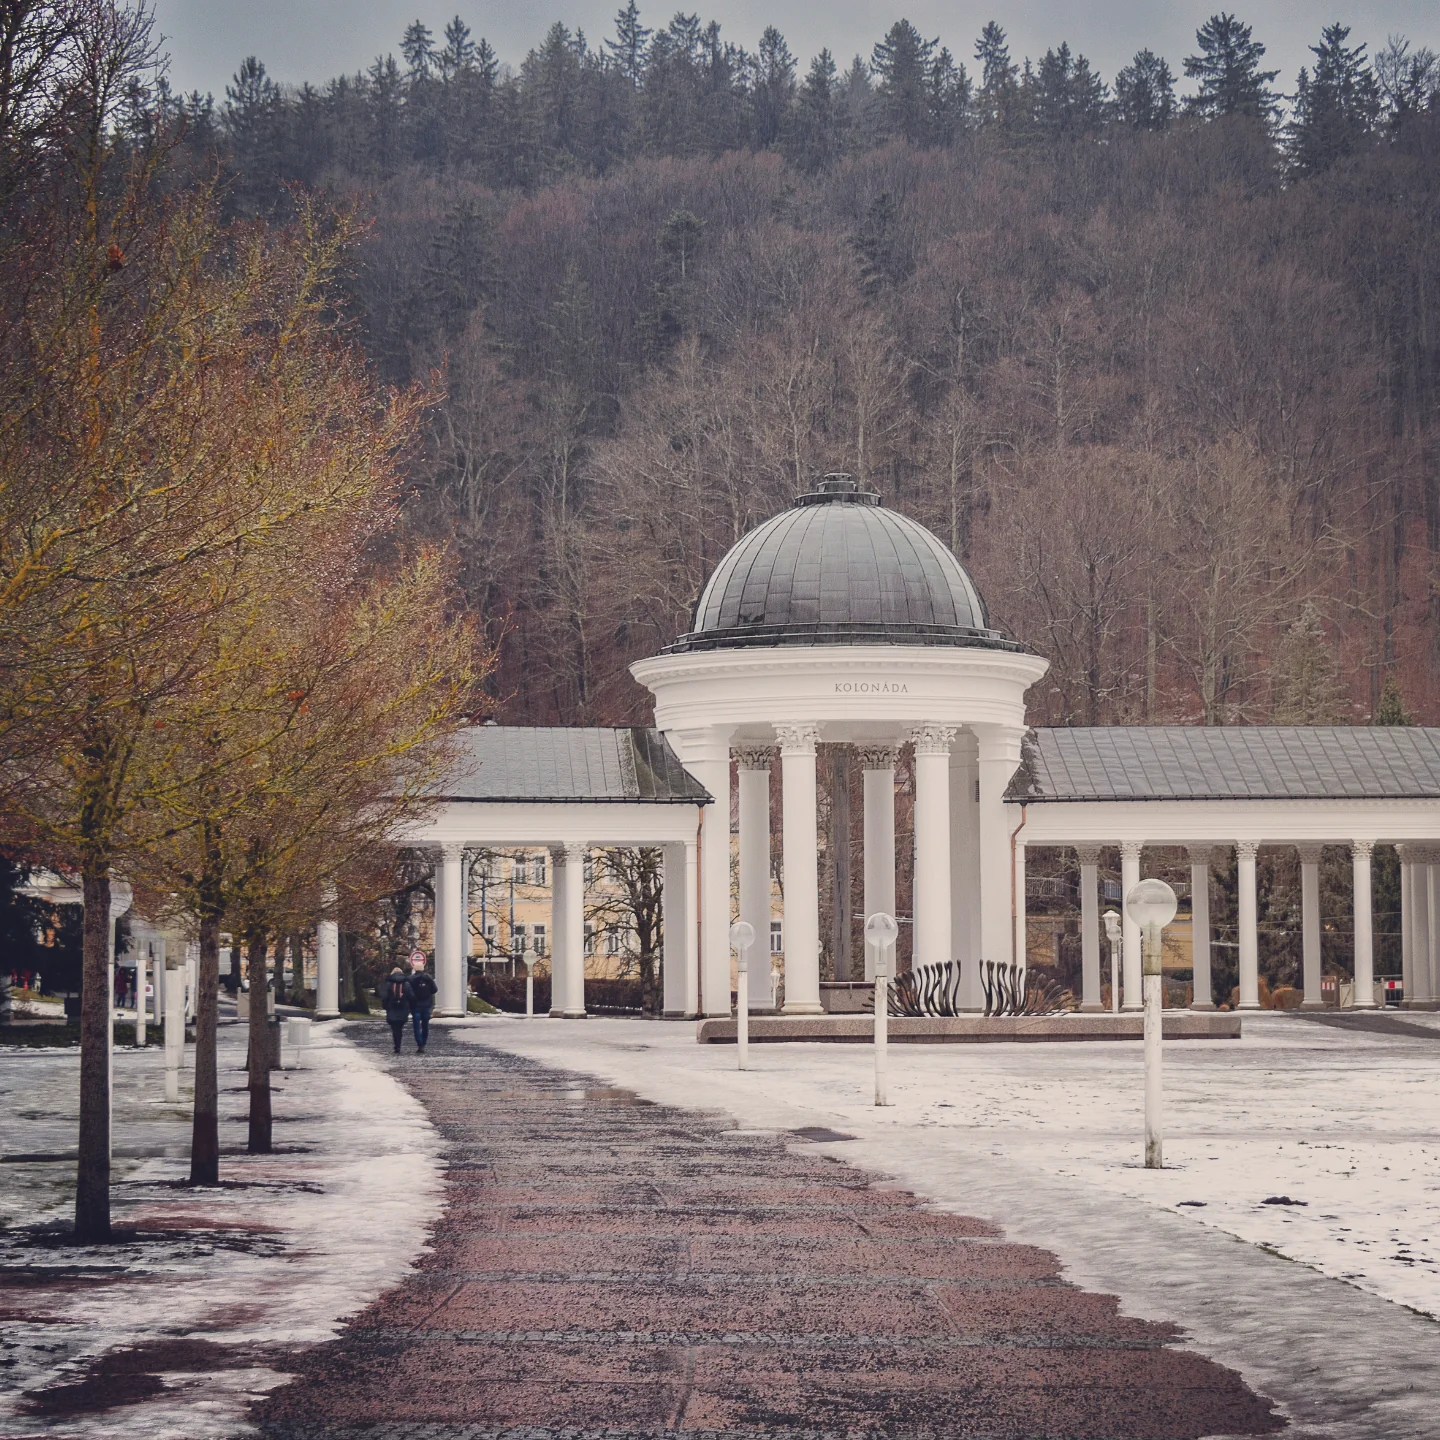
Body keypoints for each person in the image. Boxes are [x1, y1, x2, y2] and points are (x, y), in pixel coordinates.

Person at [377, 966, 413, 1055]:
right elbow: (411, 996)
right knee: (400, 1028)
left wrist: (386, 1007)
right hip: (403, 1008)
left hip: (392, 1008)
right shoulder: (406, 984)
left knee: (394, 1029)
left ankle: (396, 1046)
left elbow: (384, 997)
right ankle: (398, 1044)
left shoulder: (388, 983)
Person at [409, 956, 438, 1053]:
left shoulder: (411, 979)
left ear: (414, 969)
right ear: (423, 969)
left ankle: (419, 1043)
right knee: (425, 1025)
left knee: (416, 1025)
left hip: (415, 1005)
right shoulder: (428, 978)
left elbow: (408, 992)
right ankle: (424, 1043)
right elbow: (435, 990)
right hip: (426, 1005)